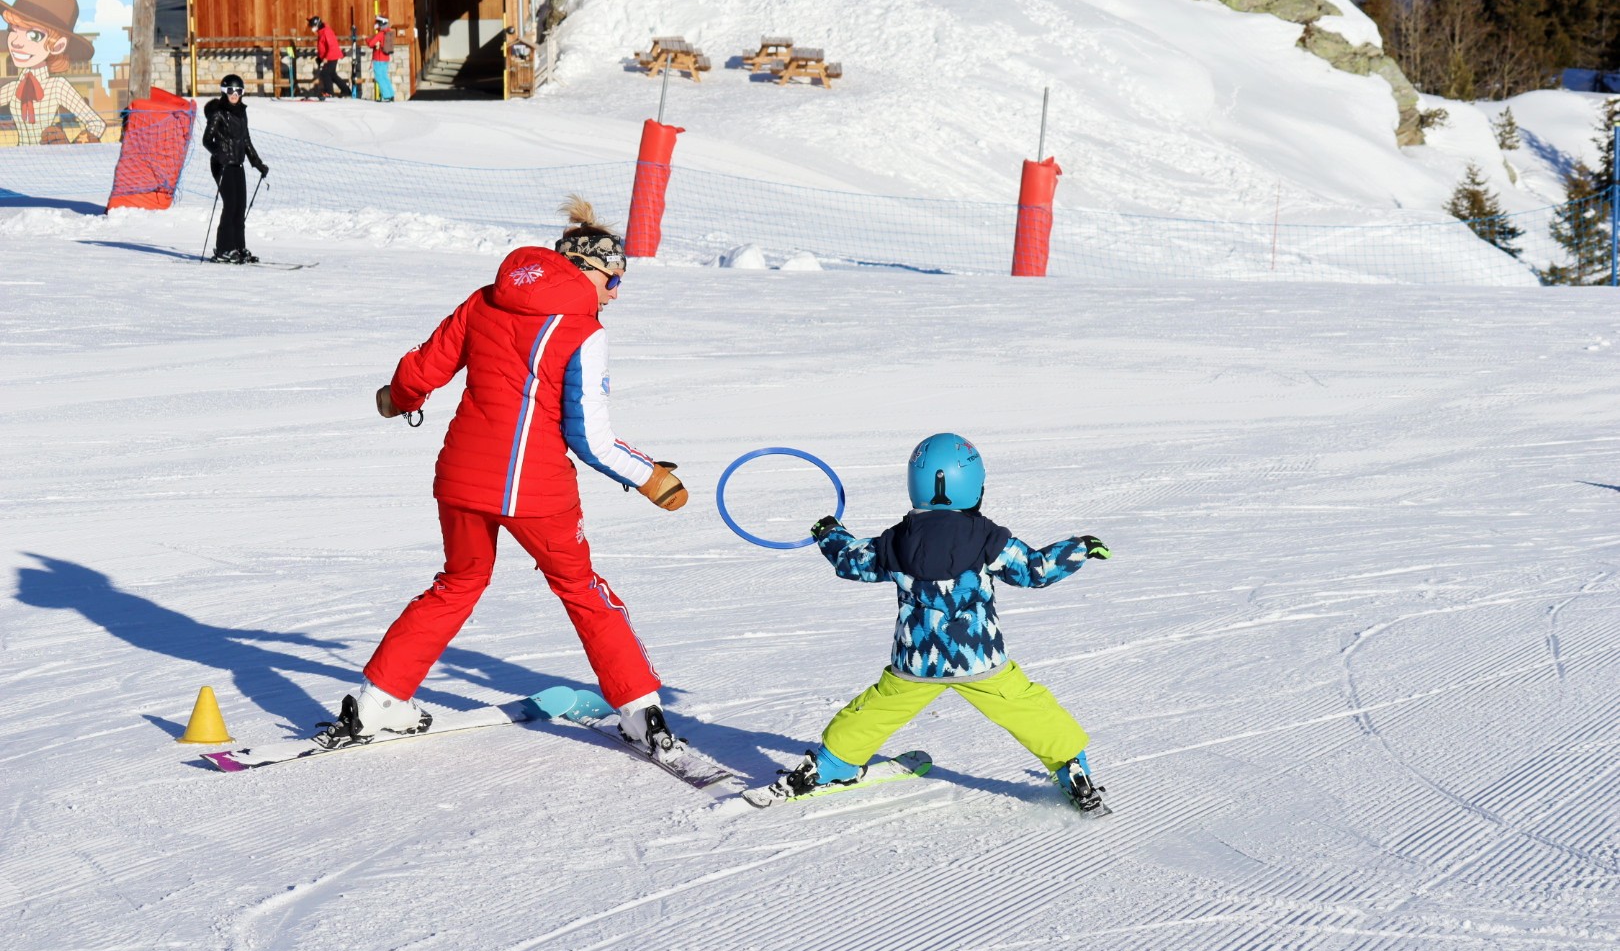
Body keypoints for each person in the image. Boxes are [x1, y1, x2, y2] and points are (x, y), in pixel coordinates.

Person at [315, 197, 691, 755]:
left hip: (461, 479)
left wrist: (398, 398)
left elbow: (425, 367)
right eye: (613, 279)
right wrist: (650, 478)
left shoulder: (487, 299)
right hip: (533, 489)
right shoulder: (582, 330)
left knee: (458, 583)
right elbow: (589, 436)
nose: (616, 293)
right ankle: (641, 711)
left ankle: (379, 702)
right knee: (582, 588)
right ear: (583, 269)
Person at [747, 433, 1112, 812]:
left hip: (916, 660)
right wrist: (1080, 547)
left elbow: (852, 561)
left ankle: (827, 766)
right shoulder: (989, 539)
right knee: (1027, 707)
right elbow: (1034, 570)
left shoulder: (898, 540)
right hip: (979, 659)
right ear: (975, 487)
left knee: (874, 712)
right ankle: (1072, 770)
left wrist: (829, 534)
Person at [0, 0, 107, 145]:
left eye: (34, 35)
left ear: (58, 45)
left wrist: (73, 146)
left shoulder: (57, 87)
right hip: (20, 162)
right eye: (14, 30)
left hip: (50, 161)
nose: (16, 42)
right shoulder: (14, 88)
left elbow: (97, 124)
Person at [200, 74, 268, 264]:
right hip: (222, 165)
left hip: (237, 164)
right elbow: (207, 140)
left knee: (240, 207)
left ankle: (238, 247)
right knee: (230, 206)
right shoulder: (218, 113)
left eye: (238, 91)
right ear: (224, 92)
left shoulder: (241, 112)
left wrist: (257, 163)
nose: (234, 94)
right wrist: (218, 154)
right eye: (231, 91)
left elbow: (245, 141)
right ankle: (223, 249)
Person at [308, 16, 350, 99]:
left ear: (317, 24)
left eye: (313, 26)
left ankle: (329, 92)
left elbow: (332, 46)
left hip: (332, 55)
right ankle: (346, 91)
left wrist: (326, 57)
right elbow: (323, 46)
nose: (312, 28)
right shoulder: (321, 31)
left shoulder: (326, 32)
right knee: (332, 74)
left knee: (325, 73)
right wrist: (320, 57)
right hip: (328, 55)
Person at [365, 15, 396, 101]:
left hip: (378, 59)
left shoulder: (380, 34)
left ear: (381, 23)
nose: (376, 24)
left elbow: (371, 44)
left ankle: (386, 96)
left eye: (378, 23)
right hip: (385, 58)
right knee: (384, 76)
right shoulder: (388, 32)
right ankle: (390, 94)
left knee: (379, 77)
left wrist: (366, 39)